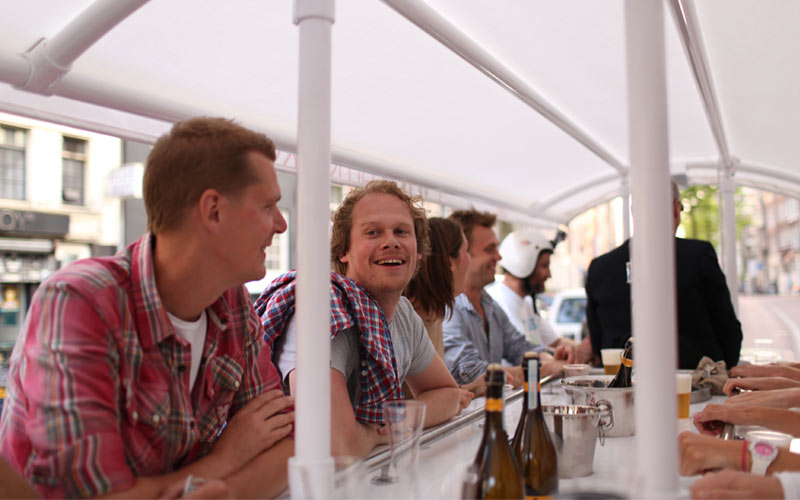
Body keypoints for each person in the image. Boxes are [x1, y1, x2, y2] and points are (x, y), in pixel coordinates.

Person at [0, 117, 294, 498]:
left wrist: (216, 491)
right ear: (214, 211)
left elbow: (290, 446)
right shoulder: (80, 301)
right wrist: (224, 459)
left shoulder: (231, 302)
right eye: (269, 205)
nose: (281, 224)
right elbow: (91, 496)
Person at [260, 181, 466, 458]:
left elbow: (448, 394)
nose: (391, 241)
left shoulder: (404, 313)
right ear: (343, 251)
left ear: (418, 252)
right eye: (373, 232)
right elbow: (335, 443)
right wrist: (378, 432)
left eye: (401, 231)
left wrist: (393, 422)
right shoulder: (324, 309)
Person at [585, 181, 742, 370]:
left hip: (619, 392)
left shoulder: (599, 268)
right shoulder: (698, 255)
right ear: (676, 208)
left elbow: (597, 343)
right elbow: (729, 334)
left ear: (634, 211)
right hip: (691, 389)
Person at [443, 209, 573, 388]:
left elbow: (521, 348)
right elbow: (471, 373)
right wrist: (549, 368)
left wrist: (549, 358)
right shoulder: (446, 309)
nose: (498, 256)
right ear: (462, 255)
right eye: (490, 249)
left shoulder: (488, 304)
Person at [403, 217, 485, 396]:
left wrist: (473, 388)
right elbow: (405, 406)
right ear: (450, 263)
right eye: (466, 252)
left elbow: (437, 394)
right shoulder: (407, 319)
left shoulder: (436, 313)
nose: (469, 260)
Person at [487, 228, 575, 350]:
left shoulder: (527, 303)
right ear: (523, 264)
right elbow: (524, 354)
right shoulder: (500, 304)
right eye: (544, 266)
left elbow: (556, 342)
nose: (549, 274)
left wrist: (583, 349)